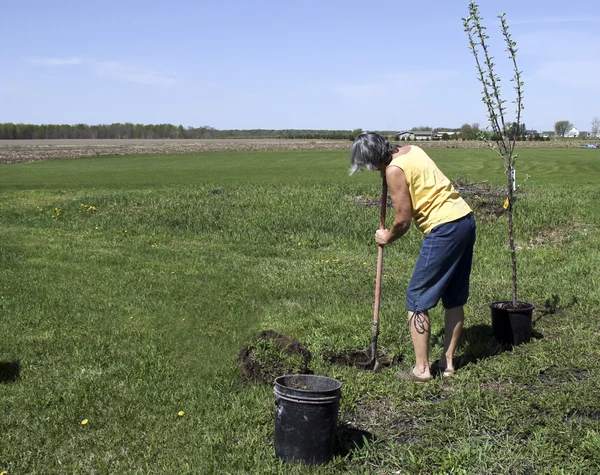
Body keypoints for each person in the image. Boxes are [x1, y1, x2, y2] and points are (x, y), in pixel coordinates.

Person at [350, 132, 476, 382]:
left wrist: (387, 237)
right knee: (454, 296)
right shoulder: (412, 150)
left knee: (417, 299)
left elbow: (403, 219)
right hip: (465, 220)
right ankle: (448, 364)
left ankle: (421, 370)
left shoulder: (394, 170)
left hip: (444, 229)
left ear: (374, 159)